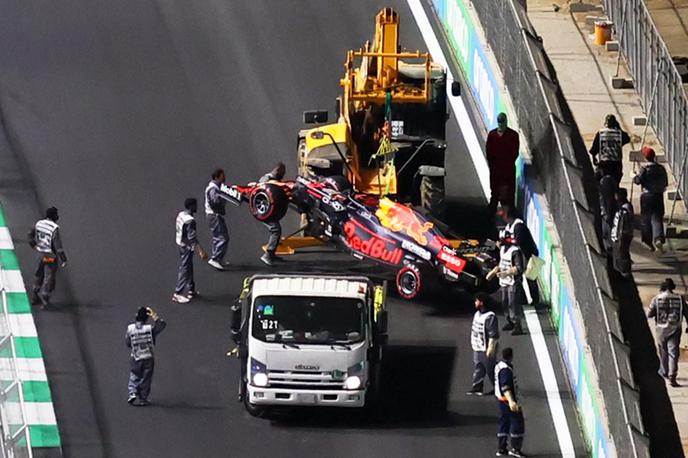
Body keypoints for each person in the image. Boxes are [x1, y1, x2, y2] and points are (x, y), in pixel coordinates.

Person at [647, 278, 688, 387]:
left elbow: (650, 314)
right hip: (675, 328)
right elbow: (687, 313)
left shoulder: (657, 299)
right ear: (673, 287)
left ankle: (664, 371)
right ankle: (672, 376)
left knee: (663, 351)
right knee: (673, 353)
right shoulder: (680, 299)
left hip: (661, 329)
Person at [126, 306, 167, 406]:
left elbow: (128, 343)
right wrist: (154, 316)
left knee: (134, 375)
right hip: (148, 357)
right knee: (146, 378)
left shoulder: (130, 328)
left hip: (136, 356)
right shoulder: (149, 329)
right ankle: (143, 398)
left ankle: (132, 392)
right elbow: (162, 325)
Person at [499, 205, 539, 305]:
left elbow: (518, 241)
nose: (502, 218)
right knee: (520, 278)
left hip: (531, 254)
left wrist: (506, 242)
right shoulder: (509, 226)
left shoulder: (518, 226)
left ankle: (536, 302)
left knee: (531, 278)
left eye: (504, 216)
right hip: (523, 255)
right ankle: (524, 299)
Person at [489, 230, 526, 335]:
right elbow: (502, 263)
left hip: (513, 281)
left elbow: (519, 268)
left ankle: (517, 325)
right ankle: (509, 321)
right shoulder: (502, 249)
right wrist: (496, 270)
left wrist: (506, 273)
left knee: (513, 303)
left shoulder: (515, 251)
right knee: (505, 303)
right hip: (504, 281)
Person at [28, 207, 67, 306]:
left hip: (40, 253)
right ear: (54, 216)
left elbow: (30, 235)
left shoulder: (39, 223)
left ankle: (35, 295)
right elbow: (58, 246)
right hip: (50, 255)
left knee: (38, 274)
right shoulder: (54, 228)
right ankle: (45, 297)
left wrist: (34, 245)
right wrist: (63, 259)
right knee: (49, 276)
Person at [172, 198, 208, 304]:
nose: (197, 207)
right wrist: (201, 251)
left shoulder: (181, 215)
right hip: (186, 247)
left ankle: (191, 289)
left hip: (180, 243)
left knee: (188, 267)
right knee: (185, 268)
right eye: (195, 205)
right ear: (191, 206)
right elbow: (192, 237)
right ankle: (178, 293)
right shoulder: (190, 220)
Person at [633, 147, 668, 253]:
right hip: (658, 195)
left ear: (645, 157)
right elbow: (665, 183)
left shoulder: (644, 169)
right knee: (657, 218)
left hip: (647, 196)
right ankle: (658, 239)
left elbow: (638, 181)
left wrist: (633, 176)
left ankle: (648, 242)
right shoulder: (661, 168)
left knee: (646, 219)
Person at [495, 347, 526, 457]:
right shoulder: (506, 370)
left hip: (501, 400)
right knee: (517, 424)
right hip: (508, 401)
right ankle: (515, 449)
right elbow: (506, 387)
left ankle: (501, 448)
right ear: (511, 356)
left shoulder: (499, 366)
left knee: (504, 423)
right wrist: (512, 401)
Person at [467, 293, 499, 396]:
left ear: (481, 302)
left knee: (491, 370)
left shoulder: (490, 317)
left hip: (486, 348)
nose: (475, 302)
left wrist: (491, 347)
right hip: (477, 346)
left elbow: (493, 334)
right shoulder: (477, 314)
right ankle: (477, 387)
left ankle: (498, 388)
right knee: (479, 367)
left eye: (477, 301)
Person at [486, 113, 520, 213]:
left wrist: (506, 164)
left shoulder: (513, 135)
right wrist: (492, 166)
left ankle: (509, 215)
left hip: (507, 170)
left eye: (502, 122)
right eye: (499, 122)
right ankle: (490, 216)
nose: (501, 124)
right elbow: (488, 152)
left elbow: (515, 152)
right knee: (495, 193)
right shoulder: (492, 135)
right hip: (496, 170)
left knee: (509, 195)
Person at [589, 114, 631, 185]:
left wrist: (594, 159)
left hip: (604, 163)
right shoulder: (619, 133)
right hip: (616, 163)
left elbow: (594, 149)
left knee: (600, 180)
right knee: (616, 182)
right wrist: (619, 128)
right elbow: (627, 139)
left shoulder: (601, 133)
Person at [258, 162, 286, 266]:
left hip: (271, 210)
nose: (283, 175)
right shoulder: (266, 179)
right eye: (282, 172)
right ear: (277, 170)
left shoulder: (277, 181)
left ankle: (272, 254)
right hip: (264, 210)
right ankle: (268, 255)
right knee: (276, 230)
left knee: (277, 230)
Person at [205, 168, 230, 270]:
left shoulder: (216, 187)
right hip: (214, 215)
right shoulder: (213, 189)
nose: (224, 177)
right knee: (223, 237)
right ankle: (215, 258)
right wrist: (225, 197)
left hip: (214, 215)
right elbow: (215, 201)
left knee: (218, 237)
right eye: (222, 176)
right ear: (217, 177)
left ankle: (219, 258)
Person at [610, 188, 634, 276]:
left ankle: (624, 271)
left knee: (622, 253)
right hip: (625, 235)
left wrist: (618, 237)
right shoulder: (627, 206)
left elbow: (622, 225)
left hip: (622, 236)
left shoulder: (624, 210)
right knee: (623, 252)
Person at [598, 173, 618, 255]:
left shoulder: (605, 195)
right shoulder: (614, 198)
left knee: (607, 235)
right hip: (608, 215)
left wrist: (606, 214)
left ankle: (610, 252)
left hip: (606, 216)